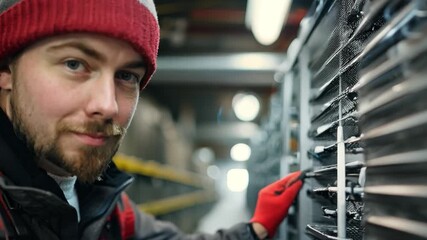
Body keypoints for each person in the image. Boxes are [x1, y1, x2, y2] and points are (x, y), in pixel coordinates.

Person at [0, 0, 304, 239]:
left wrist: (255, 229)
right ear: (6, 71)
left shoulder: (102, 201)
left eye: (126, 76)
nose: (107, 105)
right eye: (74, 63)